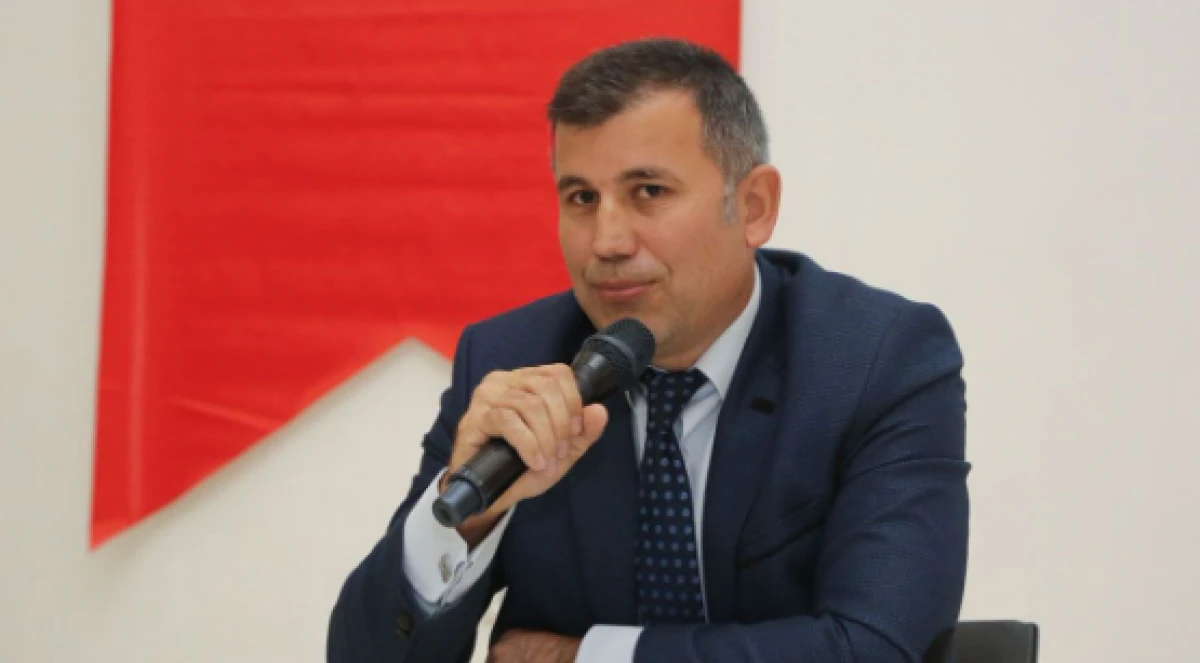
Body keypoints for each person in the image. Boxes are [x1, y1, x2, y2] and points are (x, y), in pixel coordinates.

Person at [327, 38, 969, 663]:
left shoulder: (875, 361)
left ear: (753, 207)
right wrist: (465, 517)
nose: (607, 241)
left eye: (649, 192)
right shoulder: (514, 360)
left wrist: (589, 658)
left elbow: (877, 647)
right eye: (582, 198)